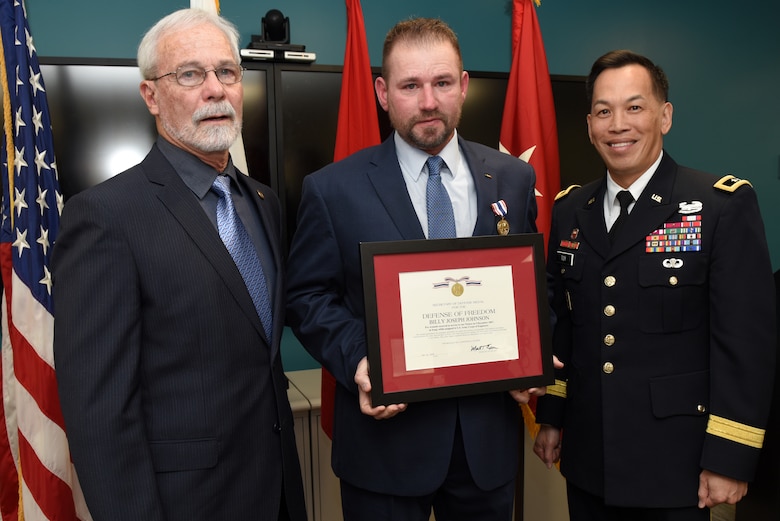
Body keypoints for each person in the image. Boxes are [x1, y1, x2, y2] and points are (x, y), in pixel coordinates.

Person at [286, 17, 545, 521]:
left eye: (443, 83)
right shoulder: (333, 189)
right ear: (383, 93)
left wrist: (528, 357)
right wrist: (363, 361)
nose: (429, 101)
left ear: (464, 86)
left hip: (484, 448)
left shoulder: (513, 178)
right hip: (385, 451)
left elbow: (528, 288)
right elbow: (306, 296)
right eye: (410, 86)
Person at [52, 8, 306, 521]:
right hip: (185, 504)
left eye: (227, 72)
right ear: (151, 95)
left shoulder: (263, 200)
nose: (215, 90)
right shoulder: (105, 217)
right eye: (190, 74)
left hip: (278, 489)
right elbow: (100, 414)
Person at [533, 49, 777, 520]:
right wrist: (553, 416)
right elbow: (566, 325)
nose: (618, 124)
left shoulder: (719, 205)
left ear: (664, 116)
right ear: (589, 125)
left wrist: (731, 455)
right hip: (588, 458)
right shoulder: (570, 209)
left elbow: (746, 344)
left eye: (635, 107)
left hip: (675, 462)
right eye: (604, 111)